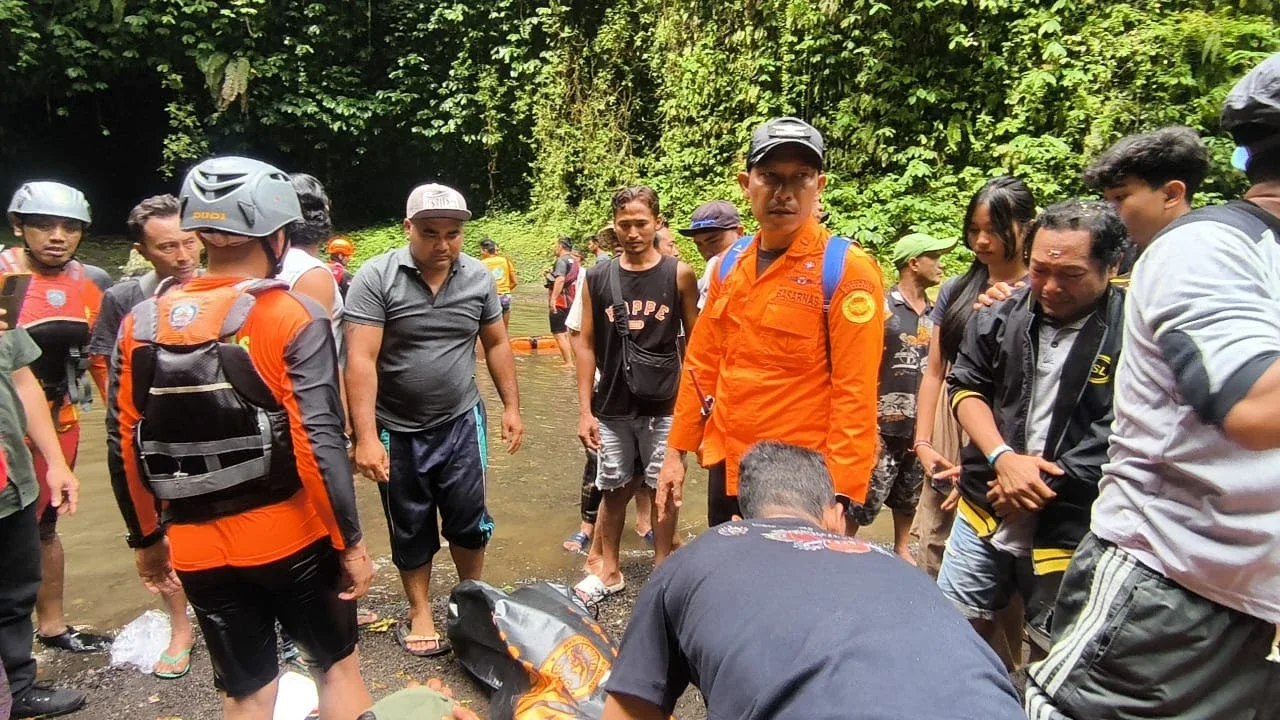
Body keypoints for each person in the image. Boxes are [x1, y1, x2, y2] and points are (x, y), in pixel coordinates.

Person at [1025, 52, 1280, 720]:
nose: (1048, 287)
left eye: (1119, 201)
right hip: (1173, 597)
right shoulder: (1208, 252)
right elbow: (1256, 406)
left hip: (1252, 605)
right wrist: (1008, 463)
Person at [107, 156, 374, 718]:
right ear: (279, 233)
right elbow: (317, 443)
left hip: (197, 548)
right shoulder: (291, 313)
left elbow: (124, 441)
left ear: (199, 230)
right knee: (336, 668)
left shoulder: (141, 323)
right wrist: (349, 542)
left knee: (246, 690)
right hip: (293, 536)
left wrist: (147, 540)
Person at [601, 441, 1026, 720]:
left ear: (738, 522)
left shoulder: (701, 553)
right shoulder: (897, 565)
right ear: (836, 521)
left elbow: (629, 709)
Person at [658, 117, 885, 532]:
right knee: (727, 580)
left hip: (798, 483)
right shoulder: (729, 263)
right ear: (746, 183)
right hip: (729, 467)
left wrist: (842, 498)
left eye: (801, 178)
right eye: (770, 177)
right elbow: (702, 364)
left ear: (820, 186)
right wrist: (676, 451)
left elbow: (857, 395)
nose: (784, 193)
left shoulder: (846, 272)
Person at [941, 200, 1126, 662]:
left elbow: (1124, 425)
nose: (1050, 286)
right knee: (952, 634)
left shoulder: (1134, 330)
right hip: (983, 505)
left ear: (1112, 266)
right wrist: (1003, 460)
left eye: (1071, 274)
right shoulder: (1002, 312)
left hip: (1070, 521)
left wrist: (1036, 481)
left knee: (1056, 651)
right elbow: (966, 385)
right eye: (1040, 269)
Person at [345, 182, 523, 658]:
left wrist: (511, 407)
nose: (442, 244)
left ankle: (470, 598)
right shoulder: (375, 277)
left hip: (462, 420)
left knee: (468, 519)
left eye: (452, 233)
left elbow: (497, 344)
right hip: (396, 426)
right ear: (408, 228)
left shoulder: (479, 279)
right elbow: (360, 359)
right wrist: (364, 437)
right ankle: (420, 609)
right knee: (409, 522)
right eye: (430, 233)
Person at [87, 194, 199, 680]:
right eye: (167, 246)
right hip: (156, 437)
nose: (182, 256)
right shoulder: (126, 299)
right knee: (162, 533)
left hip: (220, 434)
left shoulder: (231, 289)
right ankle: (181, 628)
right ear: (142, 250)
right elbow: (108, 378)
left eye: (189, 241)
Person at [573, 186, 700, 604]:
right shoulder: (597, 277)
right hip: (612, 403)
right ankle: (610, 568)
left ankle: (663, 565)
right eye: (624, 224)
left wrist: (699, 402)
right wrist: (584, 410)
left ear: (657, 223)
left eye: (641, 223)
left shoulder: (677, 274)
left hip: (665, 401)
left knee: (664, 485)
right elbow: (586, 343)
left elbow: (696, 341)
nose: (632, 232)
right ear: (614, 225)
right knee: (612, 486)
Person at [3, 181, 113, 654]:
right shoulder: (5, 277)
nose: (57, 236)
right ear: (18, 227)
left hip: (59, 414)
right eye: (44, 225)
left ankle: (52, 625)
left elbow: (101, 357)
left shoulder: (92, 282)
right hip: (7, 420)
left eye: (69, 228)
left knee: (47, 522)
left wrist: (123, 419)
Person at [910, 176, 1036, 577]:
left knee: (998, 563)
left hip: (1003, 435)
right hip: (948, 431)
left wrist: (984, 459)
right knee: (934, 544)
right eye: (974, 230)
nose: (982, 241)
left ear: (1027, 227)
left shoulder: (1042, 291)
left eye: (995, 230)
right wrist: (923, 442)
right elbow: (935, 373)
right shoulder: (957, 289)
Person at [847, 232, 954, 563]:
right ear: (913, 263)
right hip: (880, 419)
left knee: (909, 490)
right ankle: (843, 543)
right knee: (865, 494)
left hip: (919, 423)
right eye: (934, 256)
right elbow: (858, 363)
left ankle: (901, 546)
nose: (941, 264)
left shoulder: (937, 313)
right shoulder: (881, 307)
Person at [1, 317, 87, 718]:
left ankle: (18, 687)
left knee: (16, 590)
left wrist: (55, 462)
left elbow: (23, 382)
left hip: (11, 478)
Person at [677, 200, 745, 309]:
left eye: (714, 241)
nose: (707, 252)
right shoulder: (706, 280)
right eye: (699, 244)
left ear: (740, 233)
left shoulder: (764, 266)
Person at [546, 236, 579, 367]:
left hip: (561, 301)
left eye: (556, 245)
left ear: (560, 246)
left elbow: (560, 280)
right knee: (570, 332)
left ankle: (568, 363)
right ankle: (576, 361)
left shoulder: (561, 260)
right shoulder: (574, 260)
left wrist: (553, 299)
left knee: (559, 333)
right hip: (572, 300)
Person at [478, 237, 518, 328]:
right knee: (505, 327)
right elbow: (515, 282)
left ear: (485, 250)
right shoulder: (505, 261)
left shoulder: (481, 264)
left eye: (481, 250)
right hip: (505, 296)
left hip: (490, 297)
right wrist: (506, 290)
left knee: (487, 327)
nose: (480, 252)